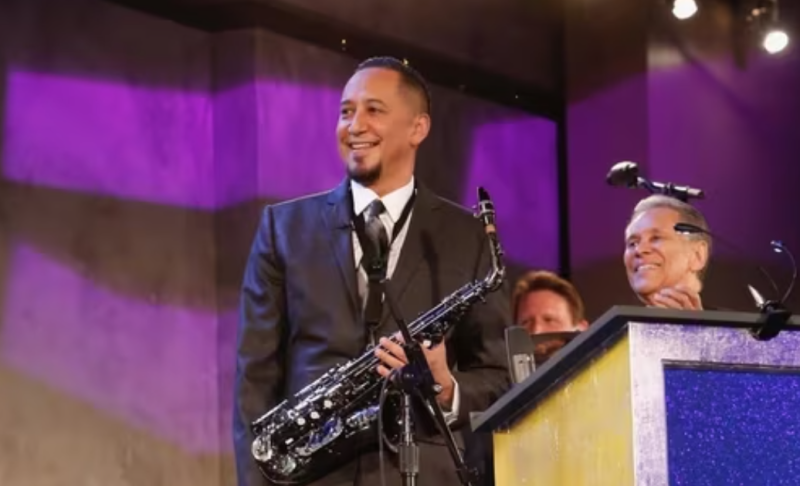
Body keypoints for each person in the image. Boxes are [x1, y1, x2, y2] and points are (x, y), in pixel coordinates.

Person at [232, 56, 511, 486]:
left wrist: (447, 385)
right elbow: (254, 381)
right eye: (346, 111)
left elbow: (500, 378)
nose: (354, 125)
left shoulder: (469, 236)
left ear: (418, 128)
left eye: (373, 110)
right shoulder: (282, 227)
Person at [623, 194, 711, 310]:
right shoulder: (614, 322)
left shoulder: (732, 321)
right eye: (633, 243)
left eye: (656, 238)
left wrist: (694, 322)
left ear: (697, 255)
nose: (639, 250)